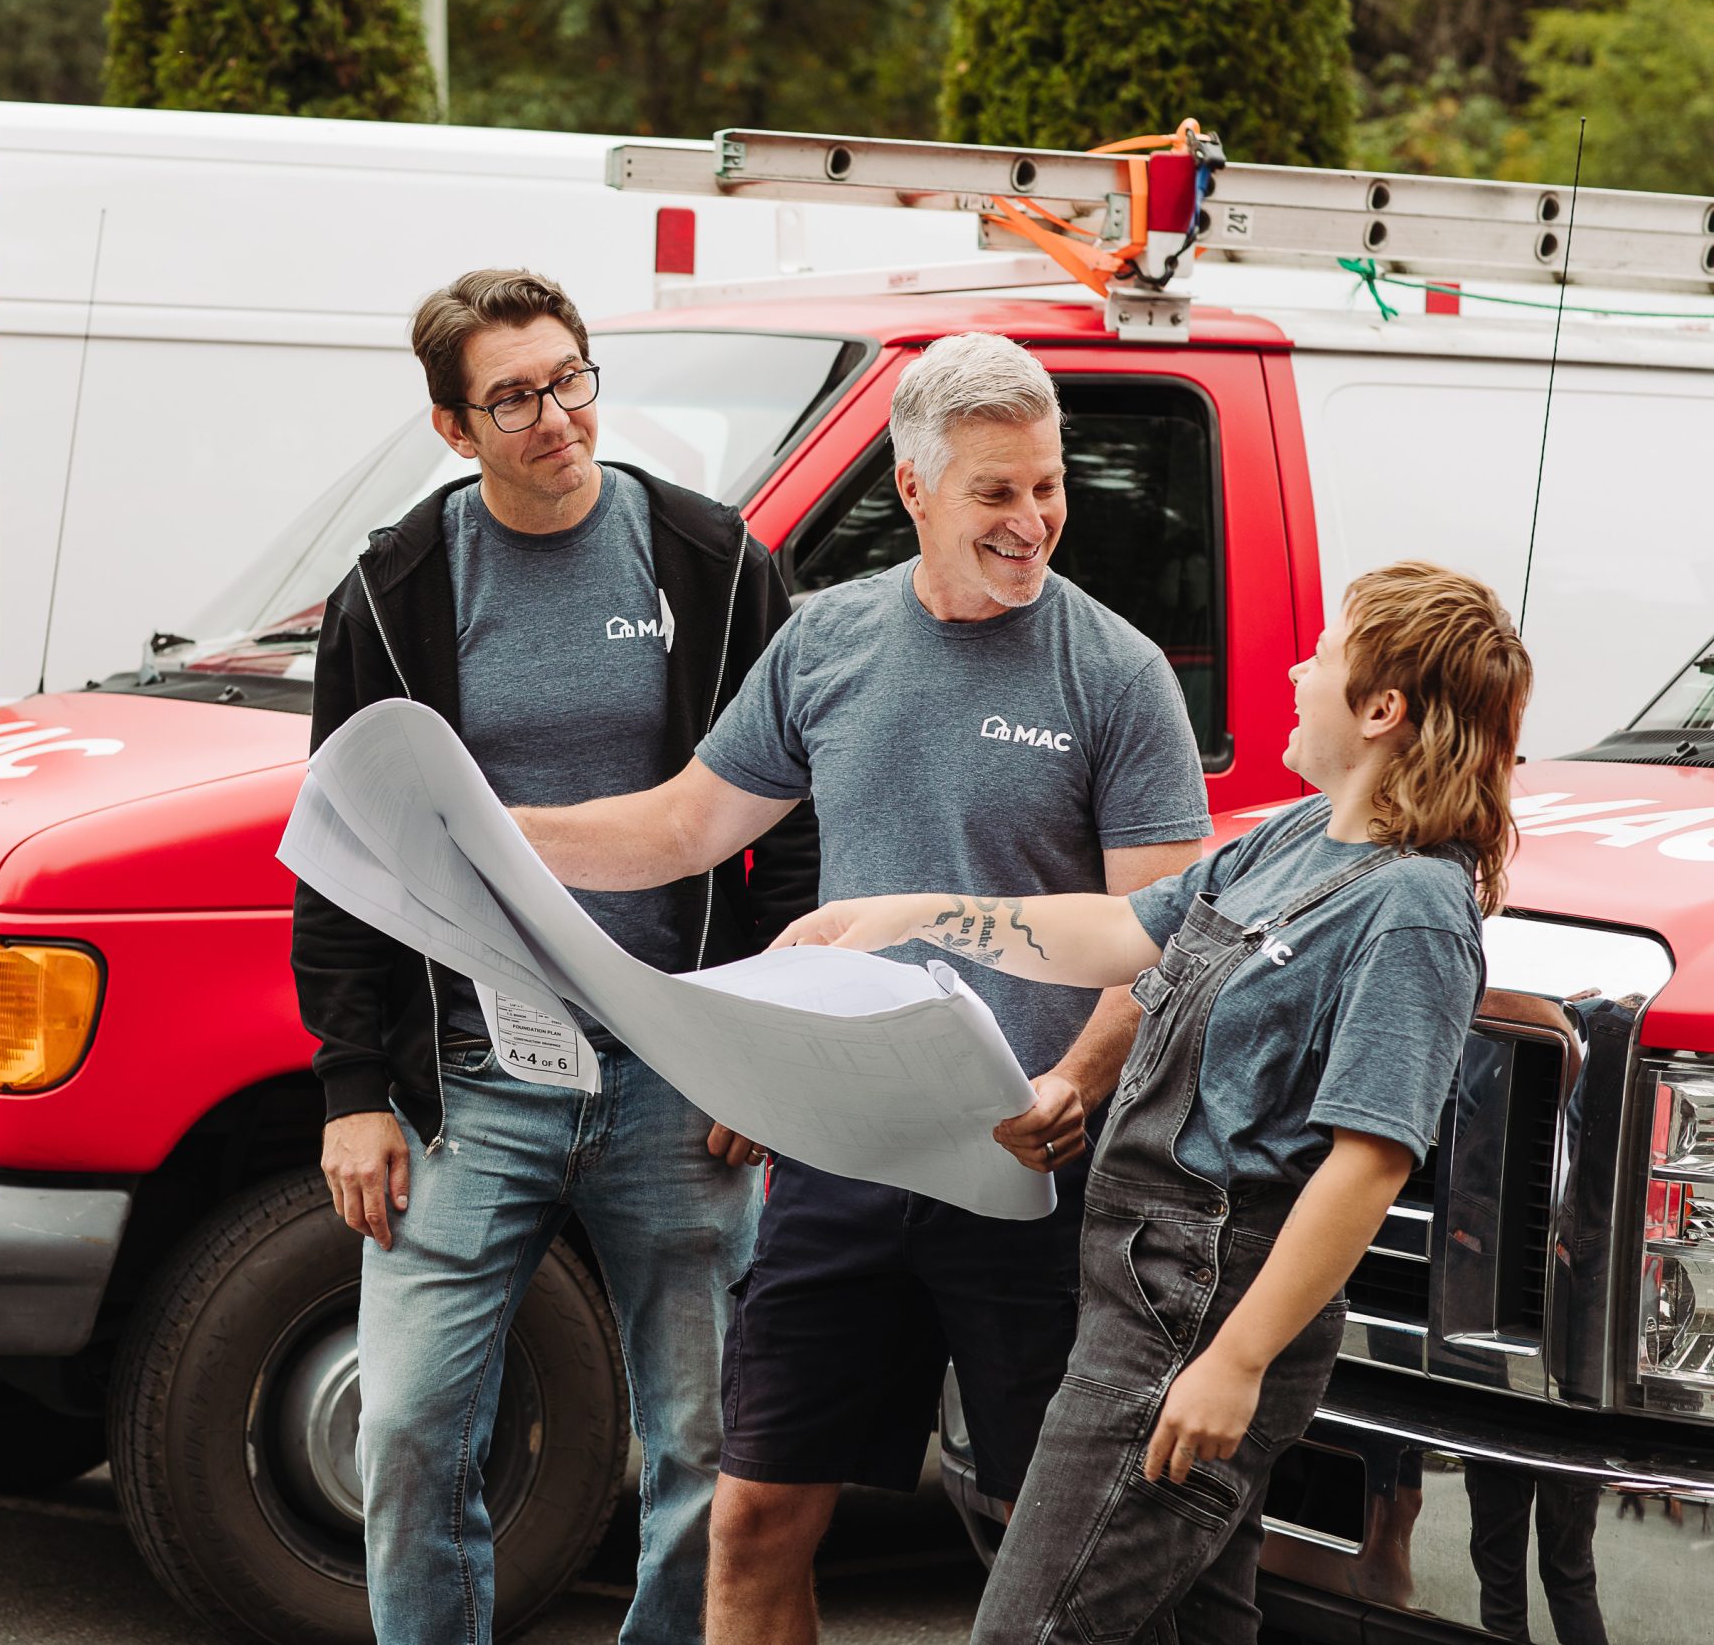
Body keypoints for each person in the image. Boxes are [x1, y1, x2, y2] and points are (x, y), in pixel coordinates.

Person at [512, 330, 1211, 1644]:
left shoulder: (1113, 674)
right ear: (915, 488)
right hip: (843, 1167)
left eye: (1048, 485)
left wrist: (1075, 1077)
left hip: (1029, 1177)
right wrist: (498, 832)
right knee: (754, 1523)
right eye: (997, 491)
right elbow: (680, 829)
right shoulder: (827, 641)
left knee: (1038, 1552)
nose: (1033, 519)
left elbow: (1157, 936)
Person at [778, 560, 1532, 1644]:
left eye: (1319, 653)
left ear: (1381, 709)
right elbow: (1124, 934)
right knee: (1193, 1626)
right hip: (1140, 1289)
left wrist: (1233, 1364)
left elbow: (1367, 1164)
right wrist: (912, 913)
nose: (1293, 667)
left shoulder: (1412, 910)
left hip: (1199, 1313)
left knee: (1030, 1630)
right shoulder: (1291, 841)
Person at [291, 266, 819, 1645]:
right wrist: (353, 1084)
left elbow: (796, 828)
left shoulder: (712, 561)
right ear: (453, 429)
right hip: (467, 1077)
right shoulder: (395, 590)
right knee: (406, 1433)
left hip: (676, 1072)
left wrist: (750, 1048)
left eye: (569, 377)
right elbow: (345, 852)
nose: (556, 416)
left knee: (703, 1453)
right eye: (513, 396)